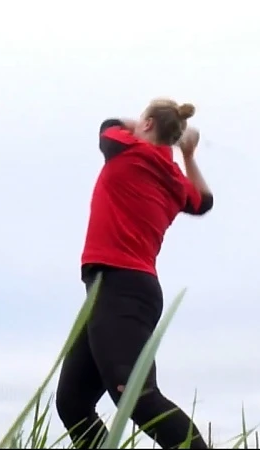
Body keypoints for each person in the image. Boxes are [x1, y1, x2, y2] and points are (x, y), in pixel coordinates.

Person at [55, 98, 213, 449]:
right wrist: (187, 153)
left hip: (119, 289)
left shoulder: (125, 149)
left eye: (143, 119)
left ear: (145, 125)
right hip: (116, 292)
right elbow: (204, 201)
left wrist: (166, 132)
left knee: (137, 397)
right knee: (73, 403)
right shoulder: (174, 178)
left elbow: (109, 122)